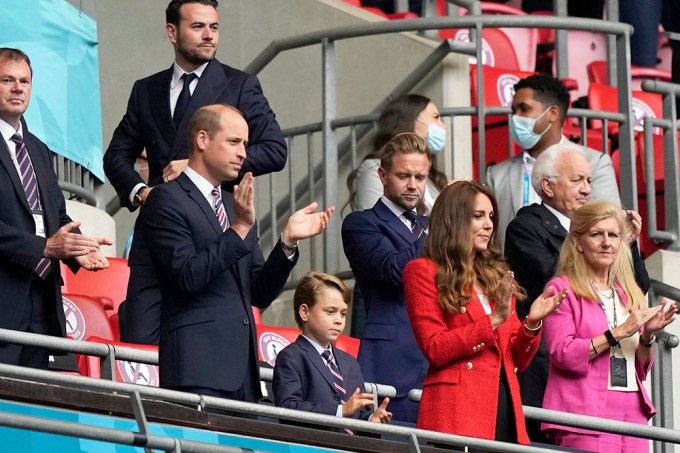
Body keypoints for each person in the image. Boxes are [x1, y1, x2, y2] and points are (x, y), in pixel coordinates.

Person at [104, 0, 287, 345]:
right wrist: (142, 193)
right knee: (143, 348)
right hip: (157, 235)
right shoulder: (147, 89)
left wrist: (198, 165)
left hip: (217, 226)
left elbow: (275, 151)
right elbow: (116, 155)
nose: (208, 36)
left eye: (214, 28)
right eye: (198, 27)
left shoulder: (240, 85)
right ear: (172, 32)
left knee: (208, 344)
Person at [142, 104, 332, 402]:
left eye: (245, 143)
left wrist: (287, 242)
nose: (243, 152)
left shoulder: (234, 204)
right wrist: (240, 227)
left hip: (244, 373)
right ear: (202, 140)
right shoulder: (166, 199)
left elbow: (258, 293)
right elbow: (187, 276)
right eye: (234, 142)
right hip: (196, 370)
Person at [504, 142, 650, 443]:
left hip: (621, 400)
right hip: (551, 377)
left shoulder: (605, 250)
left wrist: (628, 246)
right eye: (577, 180)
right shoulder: (525, 227)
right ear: (547, 185)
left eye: (589, 181)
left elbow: (635, 289)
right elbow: (553, 281)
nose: (586, 189)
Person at [403, 181, 566, 446]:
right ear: (453, 220)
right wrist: (494, 319)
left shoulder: (496, 275)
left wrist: (533, 323)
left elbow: (518, 360)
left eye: (491, 216)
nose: (489, 224)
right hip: (457, 409)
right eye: (478, 216)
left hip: (504, 402)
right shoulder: (422, 271)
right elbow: (435, 347)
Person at [0, 48, 111, 368]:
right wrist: (45, 247)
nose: (18, 88)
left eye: (25, 81)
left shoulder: (40, 150)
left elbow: (56, 216)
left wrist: (78, 246)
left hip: (42, 297)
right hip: (5, 294)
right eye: (8, 80)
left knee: (37, 408)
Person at [541, 200, 676, 452]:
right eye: (597, 234)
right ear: (578, 242)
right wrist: (617, 333)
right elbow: (562, 354)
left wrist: (647, 336)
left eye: (613, 235)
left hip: (632, 412)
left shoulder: (627, 293)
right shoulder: (561, 289)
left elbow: (641, 368)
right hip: (584, 411)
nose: (607, 242)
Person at [341, 132, 431, 423]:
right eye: (404, 175)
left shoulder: (433, 226)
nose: (413, 185)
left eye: (421, 177)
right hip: (391, 361)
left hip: (440, 360)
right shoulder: (361, 223)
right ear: (382, 175)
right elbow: (396, 271)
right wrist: (442, 227)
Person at [486, 74, 621, 251]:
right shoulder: (497, 174)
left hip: (574, 274)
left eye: (524, 109)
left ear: (552, 114)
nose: (515, 117)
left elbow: (612, 225)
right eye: (514, 111)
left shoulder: (595, 163)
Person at [273, 272, 392, 431]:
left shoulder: (350, 362)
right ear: (305, 312)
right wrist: (339, 411)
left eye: (343, 313)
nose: (339, 320)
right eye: (330, 311)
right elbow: (288, 407)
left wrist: (371, 420)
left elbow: (358, 414)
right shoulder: (291, 357)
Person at [345, 94, 448, 215]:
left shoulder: (431, 177)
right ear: (410, 121)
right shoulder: (373, 168)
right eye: (435, 117)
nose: (443, 125)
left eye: (419, 178)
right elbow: (377, 225)